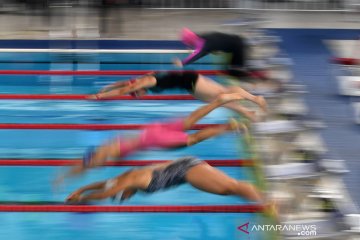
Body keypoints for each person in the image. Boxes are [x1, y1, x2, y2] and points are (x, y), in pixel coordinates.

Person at [59, 93, 248, 181]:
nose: (95, 166)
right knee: (189, 121)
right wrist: (69, 173)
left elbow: (86, 165)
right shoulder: (109, 144)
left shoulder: (105, 152)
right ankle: (219, 101)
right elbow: (86, 163)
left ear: (92, 158)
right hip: (152, 130)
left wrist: (66, 176)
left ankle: (229, 127)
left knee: (193, 139)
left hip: (153, 139)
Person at [65, 156, 276, 216]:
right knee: (226, 190)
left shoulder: (130, 180)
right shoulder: (125, 178)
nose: (128, 198)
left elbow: (105, 192)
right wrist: (82, 189)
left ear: (123, 191)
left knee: (229, 187)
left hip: (187, 170)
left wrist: (82, 199)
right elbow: (104, 185)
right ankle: (263, 200)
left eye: (124, 197)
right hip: (186, 169)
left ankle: (268, 202)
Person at [87, 71, 267, 121]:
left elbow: (122, 90)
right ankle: (247, 112)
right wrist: (106, 88)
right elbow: (123, 85)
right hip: (189, 84)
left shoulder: (145, 82)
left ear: (135, 89)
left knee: (222, 94)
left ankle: (254, 98)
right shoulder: (142, 81)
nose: (140, 96)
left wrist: (99, 96)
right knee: (219, 99)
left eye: (136, 95)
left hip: (191, 82)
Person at [174, 28, 268, 80]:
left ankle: (258, 75)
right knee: (230, 70)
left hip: (238, 46)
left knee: (234, 72)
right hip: (238, 42)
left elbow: (198, 54)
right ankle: (258, 73)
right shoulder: (204, 37)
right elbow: (204, 48)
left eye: (189, 43)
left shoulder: (203, 44)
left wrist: (183, 63)